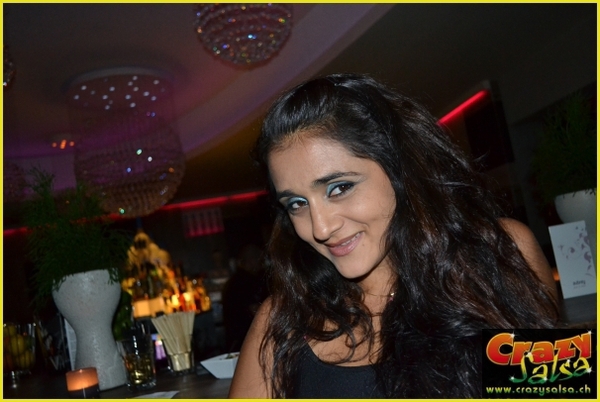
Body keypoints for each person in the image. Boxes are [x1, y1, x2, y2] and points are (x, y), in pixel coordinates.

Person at [228, 74, 558, 398]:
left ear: (400, 168)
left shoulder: (498, 254)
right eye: (297, 204)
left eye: (339, 188)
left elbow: (546, 390)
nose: (320, 228)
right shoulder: (283, 319)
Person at [222, 244, 268, 352]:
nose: (262, 264)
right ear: (252, 261)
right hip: (247, 343)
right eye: (260, 260)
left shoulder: (233, 282)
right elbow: (257, 311)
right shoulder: (248, 282)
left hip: (236, 343)